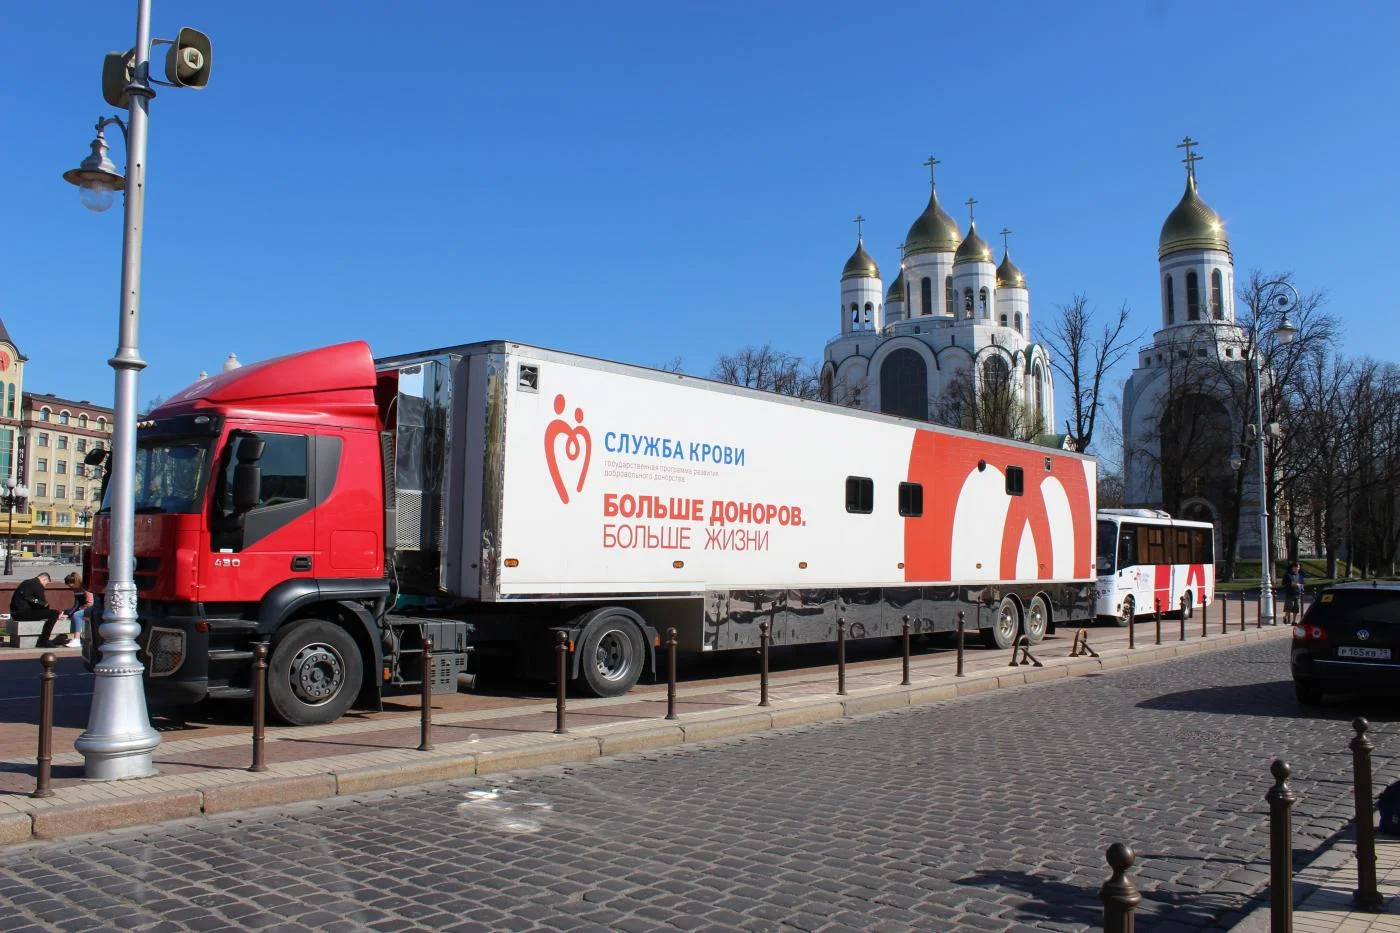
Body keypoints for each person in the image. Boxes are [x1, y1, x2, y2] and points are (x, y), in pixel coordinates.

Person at [10, 572, 64, 648]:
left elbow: (30, 601)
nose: (45, 586)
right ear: (44, 579)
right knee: (54, 613)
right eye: (46, 583)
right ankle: (43, 641)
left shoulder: (26, 582)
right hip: (23, 614)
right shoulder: (38, 585)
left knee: (47, 613)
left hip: (15, 614)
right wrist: (54, 615)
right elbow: (43, 604)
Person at [62, 572, 92, 648]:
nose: (69, 587)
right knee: (72, 615)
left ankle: (77, 639)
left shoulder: (85, 588)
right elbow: (76, 604)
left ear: (74, 583)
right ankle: (72, 638)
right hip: (83, 608)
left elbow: (90, 602)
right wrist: (66, 613)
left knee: (76, 615)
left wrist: (79, 609)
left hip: (92, 608)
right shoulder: (75, 589)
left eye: (69, 585)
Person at [1283, 561, 1306, 626]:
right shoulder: (1288, 575)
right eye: (1295, 567)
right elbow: (1284, 583)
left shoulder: (1300, 575)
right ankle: (1285, 617)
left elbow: (1303, 582)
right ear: (1292, 568)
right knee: (1289, 607)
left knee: (1296, 608)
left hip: (1297, 593)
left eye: (1298, 567)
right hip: (1290, 593)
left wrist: (1302, 586)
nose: (1297, 569)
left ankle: (1294, 621)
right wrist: (1291, 584)